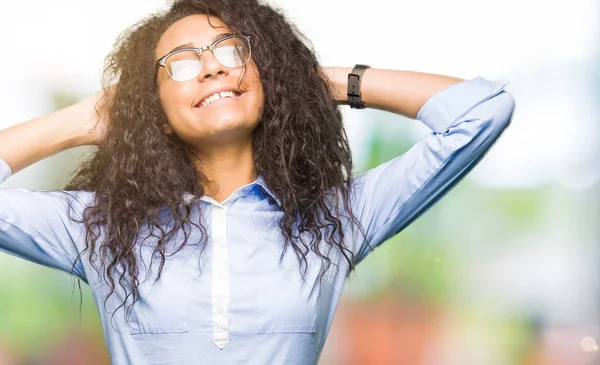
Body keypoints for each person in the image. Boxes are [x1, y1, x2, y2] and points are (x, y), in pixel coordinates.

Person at [0, 0, 516, 363]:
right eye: (179, 63)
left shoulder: (337, 218)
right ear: (153, 112)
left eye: (229, 51)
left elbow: (483, 110)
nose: (210, 69)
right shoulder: (100, 226)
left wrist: (312, 80)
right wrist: (78, 123)